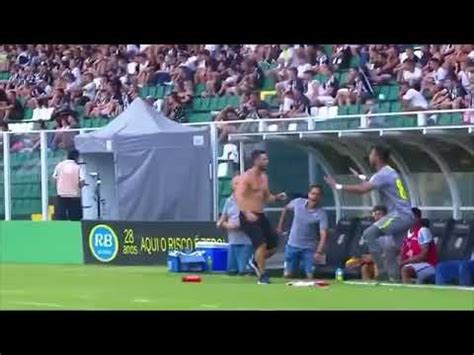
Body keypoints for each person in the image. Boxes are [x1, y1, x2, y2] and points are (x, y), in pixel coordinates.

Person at [324, 145, 414, 282]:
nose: (369, 157)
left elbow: (362, 189)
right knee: (390, 249)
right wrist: (361, 176)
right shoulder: (389, 172)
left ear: (377, 156)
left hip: (400, 214)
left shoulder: (383, 174)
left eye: (371, 154)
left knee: (369, 233)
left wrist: (338, 186)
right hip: (406, 215)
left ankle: (381, 271)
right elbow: (373, 182)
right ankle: (395, 281)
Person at [234, 149, 287, 284]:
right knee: (261, 244)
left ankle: (254, 261)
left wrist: (276, 197)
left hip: (260, 215)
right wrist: (246, 212)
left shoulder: (264, 177)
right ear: (256, 161)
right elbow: (238, 196)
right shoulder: (246, 177)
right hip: (247, 215)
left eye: (267, 159)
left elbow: (266, 197)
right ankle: (263, 276)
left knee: (274, 245)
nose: (266, 162)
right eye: (264, 159)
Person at [276, 184, 329, 280]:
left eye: (317, 195)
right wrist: (280, 225)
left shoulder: (321, 214)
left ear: (320, 197)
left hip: (309, 248)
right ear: (309, 194)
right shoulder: (298, 202)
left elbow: (323, 234)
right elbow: (286, 209)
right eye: (313, 194)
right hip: (293, 244)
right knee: (288, 274)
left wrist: (319, 251)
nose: (314, 197)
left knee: (310, 275)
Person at [217, 176, 254, 275]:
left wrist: (235, 225)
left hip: (246, 242)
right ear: (232, 186)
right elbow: (222, 220)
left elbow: (247, 221)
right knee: (231, 271)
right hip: (233, 241)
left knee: (243, 271)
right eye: (236, 184)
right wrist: (225, 224)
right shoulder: (229, 201)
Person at [346, 205, 394, 281]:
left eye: (379, 214)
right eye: (375, 214)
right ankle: (369, 289)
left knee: (377, 264)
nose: (376, 217)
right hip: (374, 259)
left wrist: (373, 257)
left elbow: (392, 251)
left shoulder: (391, 229)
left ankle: (382, 283)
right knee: (362, 267)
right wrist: (362, 259)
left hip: (388, 261)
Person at [399, 207, 438, 284]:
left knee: (405, 269)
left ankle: (408, 293)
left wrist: (404, 262)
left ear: (417, 218)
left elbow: (423, 256)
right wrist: (399, 260)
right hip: (412, 264)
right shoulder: (407, 232)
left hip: (429, 264)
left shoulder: (423, 231)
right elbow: (403, 251)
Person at [52, 149, 85, 221]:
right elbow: (82, 181)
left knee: (61, 214)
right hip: (74, 195)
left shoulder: (59, 165)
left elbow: (54, 178)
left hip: (62, 193)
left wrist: (58, 188)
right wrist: (78, 187)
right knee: (75, 215)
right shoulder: (78, 167)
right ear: (77, 157)